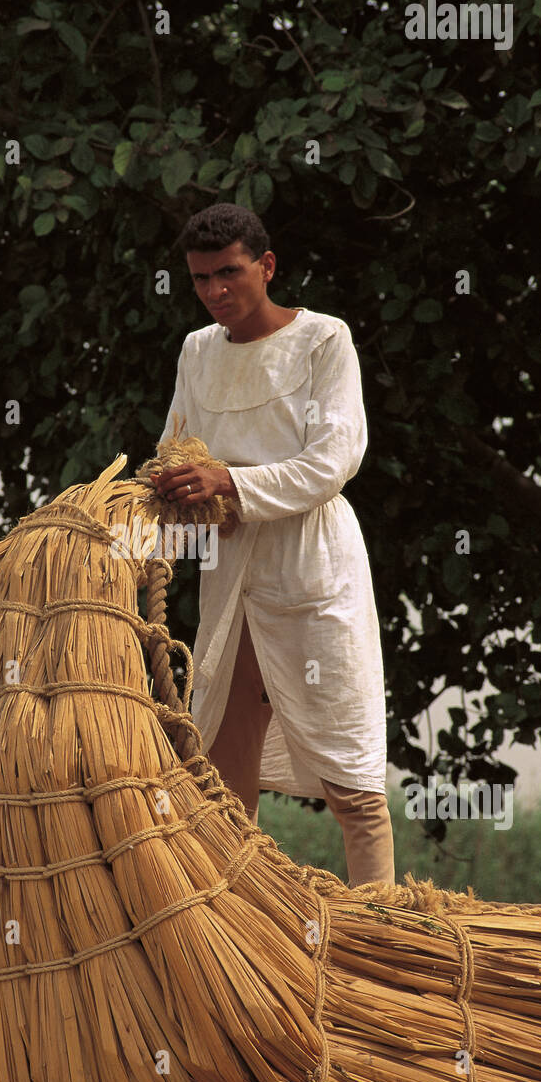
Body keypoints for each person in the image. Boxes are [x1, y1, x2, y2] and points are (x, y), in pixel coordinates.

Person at [151, 203, 395, 887]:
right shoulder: (198, 350)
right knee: (220, 774)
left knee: (350, 766)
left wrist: (227, 479)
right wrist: (170, 501)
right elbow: (175, 452)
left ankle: (380, 928)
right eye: (200, 279)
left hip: (314, 562)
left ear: (267, 265)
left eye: (229, 272)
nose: (215, 291)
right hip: (231, 565)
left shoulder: (324, 338)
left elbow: (334, 460)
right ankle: (240, 932)